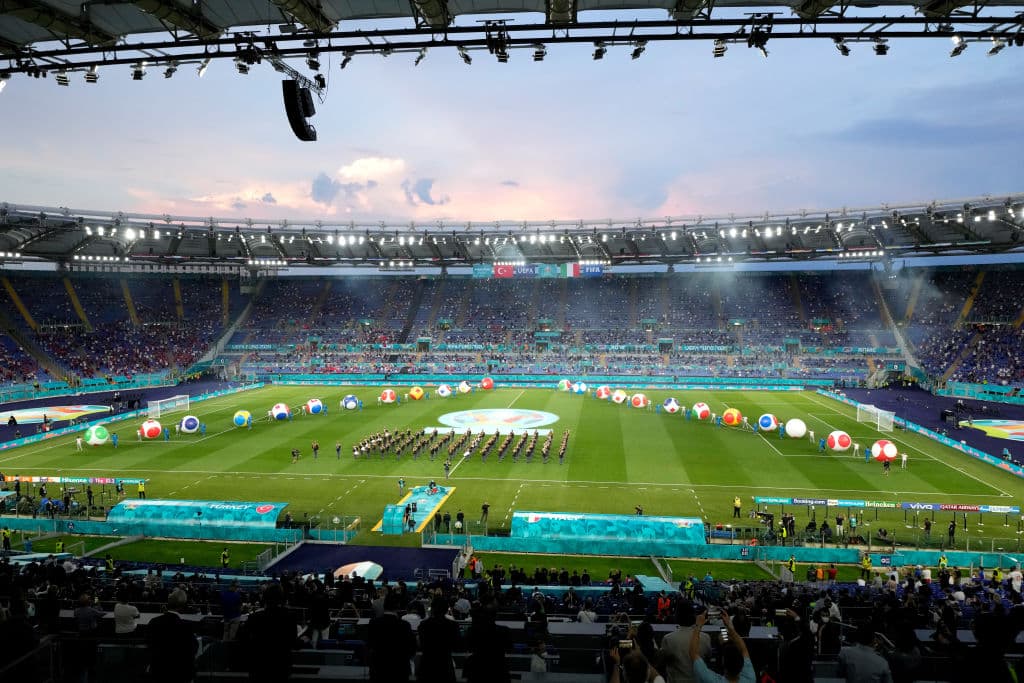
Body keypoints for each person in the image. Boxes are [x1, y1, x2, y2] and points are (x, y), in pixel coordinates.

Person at [242, 583, 298, 683]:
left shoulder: (254, 617)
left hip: (259, 666)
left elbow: (245, 640)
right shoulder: (290, 617)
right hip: (281, 666)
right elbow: (293, 642)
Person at [146, 589, 198, 683]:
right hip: (180, 673)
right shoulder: (187, 626)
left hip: (158, 672)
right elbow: (193, 650)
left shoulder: (154, 622)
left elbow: (149, 645)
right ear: (182, 606)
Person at [690, 610, 754, 682]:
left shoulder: (711, 680)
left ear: (723, 661)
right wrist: (730, 629)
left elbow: (693, 653)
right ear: (743, 664)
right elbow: (744, 649)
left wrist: (698, 625)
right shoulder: (751, 678)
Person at [367, 593, 416, 682]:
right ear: (397, 606)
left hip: (378, 669)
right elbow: (412, 648)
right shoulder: (405, 625)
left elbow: (369, 645)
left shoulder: (373, 623)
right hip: (399, 670)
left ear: (384, 605)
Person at [660, 600, 710, 683]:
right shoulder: (706, 637)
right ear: (694, 616)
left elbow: (663, 660)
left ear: (677, 617)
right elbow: (708, 657)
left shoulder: (668, 639)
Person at [417, 595, 461, 682]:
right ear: (446, 609)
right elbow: (456, 646)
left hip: (427, 665)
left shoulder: (423, 625)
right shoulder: (453, 625)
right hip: (445, 665)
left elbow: (421, 644)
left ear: (432, 608)